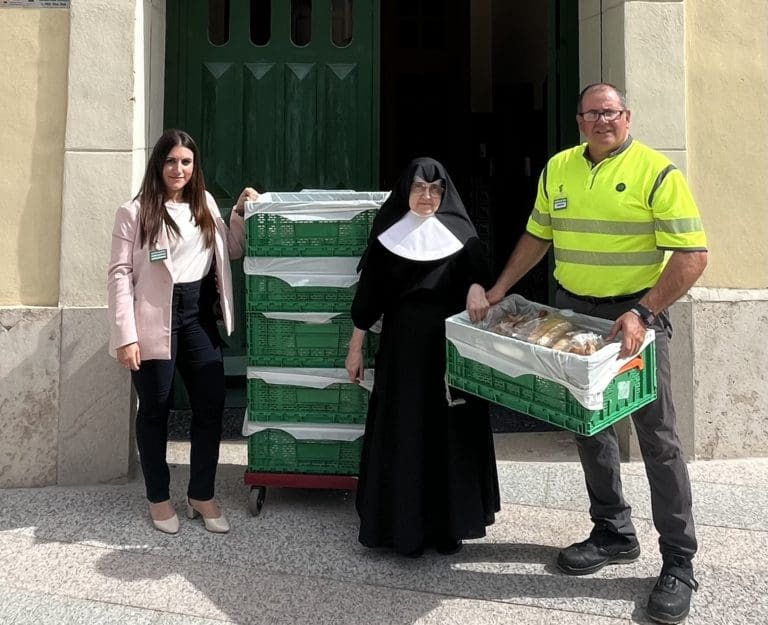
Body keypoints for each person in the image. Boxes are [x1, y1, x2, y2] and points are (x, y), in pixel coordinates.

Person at [469, 83, 707, 624]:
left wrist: (644, 312)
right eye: (593, 113)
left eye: (612, 112)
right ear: (579, 121)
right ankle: (613, 531)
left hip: (634, 319)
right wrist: (502, 287)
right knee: (588, 424)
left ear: (628, 117)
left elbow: (693, 255)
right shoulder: (558, 169)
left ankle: (678, 561)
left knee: (658, 438)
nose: (603, 120)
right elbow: (538, 235)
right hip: (574, 317)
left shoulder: (657, 173)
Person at [346, 157, 500, 558]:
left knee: (450, 434)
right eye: (418, 187)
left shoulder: (463, 237)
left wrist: (476, 286)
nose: (427, 196)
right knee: (406, 433)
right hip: (403, 354)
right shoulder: (388, 236)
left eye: (435, 189)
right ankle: (405, 532)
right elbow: (369, 299)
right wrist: (355, 347)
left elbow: (484, 280)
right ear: (405, 191)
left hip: (450, 352)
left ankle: (450, 528)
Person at [107, 129, 258, 534]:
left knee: (210, 404)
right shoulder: (134, 212)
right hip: (153, 318)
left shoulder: (203, 202)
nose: (179, 169)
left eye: (186, 162)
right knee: (155, 408)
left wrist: (239, 212)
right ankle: (158, 497)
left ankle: (201, 494)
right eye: (171, 161)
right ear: (158, 163)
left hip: (198, 315)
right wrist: (125, 335)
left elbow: (230, 250)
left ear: (195, 166)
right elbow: (120, 274)